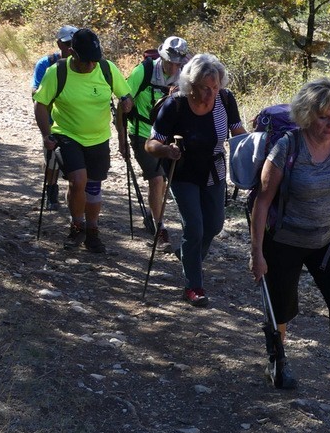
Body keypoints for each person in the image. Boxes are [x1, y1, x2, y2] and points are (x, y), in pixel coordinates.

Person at [249, 78, 330, 415]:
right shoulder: (287, 148)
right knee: (283, 309)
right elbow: (263, 202)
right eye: (323, 118)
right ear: (306, 115)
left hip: (327, 239)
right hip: (286, 240)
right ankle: (277, 359)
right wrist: (257, 253)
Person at [145, 54, 245, 306]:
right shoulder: (175, 105)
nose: (210, 93)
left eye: (214, 87)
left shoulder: (225, 99)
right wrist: (166, 150)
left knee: (214, 226)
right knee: (195, 227)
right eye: (204, 87)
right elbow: (151, 143)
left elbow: (238, 134)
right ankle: (193, 286)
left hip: (214, 170)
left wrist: (259, 146)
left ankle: (186, 254)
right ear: (191, 84)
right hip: (183, 171)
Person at [32, 28, 133, 253]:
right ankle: (77, 226)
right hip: (67, 134)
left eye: (94, 61)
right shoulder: (57, 72)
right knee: (78, 181)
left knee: (93, 187)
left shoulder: (107, 69)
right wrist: (46, 134)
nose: (91, 66)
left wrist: (127, 103)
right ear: (73, 54)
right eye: (86, 61)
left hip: (98, 138)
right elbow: (41, 104)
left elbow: (125, 96)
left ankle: (92, 232)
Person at [127, 36, 191, 246]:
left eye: (177, 63)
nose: (173, 68)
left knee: (168, 180)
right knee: (157, 180)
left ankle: (157, 217)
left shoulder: (186, 74)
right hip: (142, 132)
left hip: (170, 135)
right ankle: (159, 227)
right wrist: (120, 139)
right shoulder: (143, 71)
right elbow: (124, 101)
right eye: (169, 62)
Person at [31, 25, 79, 212]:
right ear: (59, 43)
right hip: (51, 122)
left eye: (73, 44)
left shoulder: (84, 64)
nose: (70, 48)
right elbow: (36, 92)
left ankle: (72, 197)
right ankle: (51, 191)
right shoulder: (46, 64)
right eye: (67, 44)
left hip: (75, 122)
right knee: (51, 160)